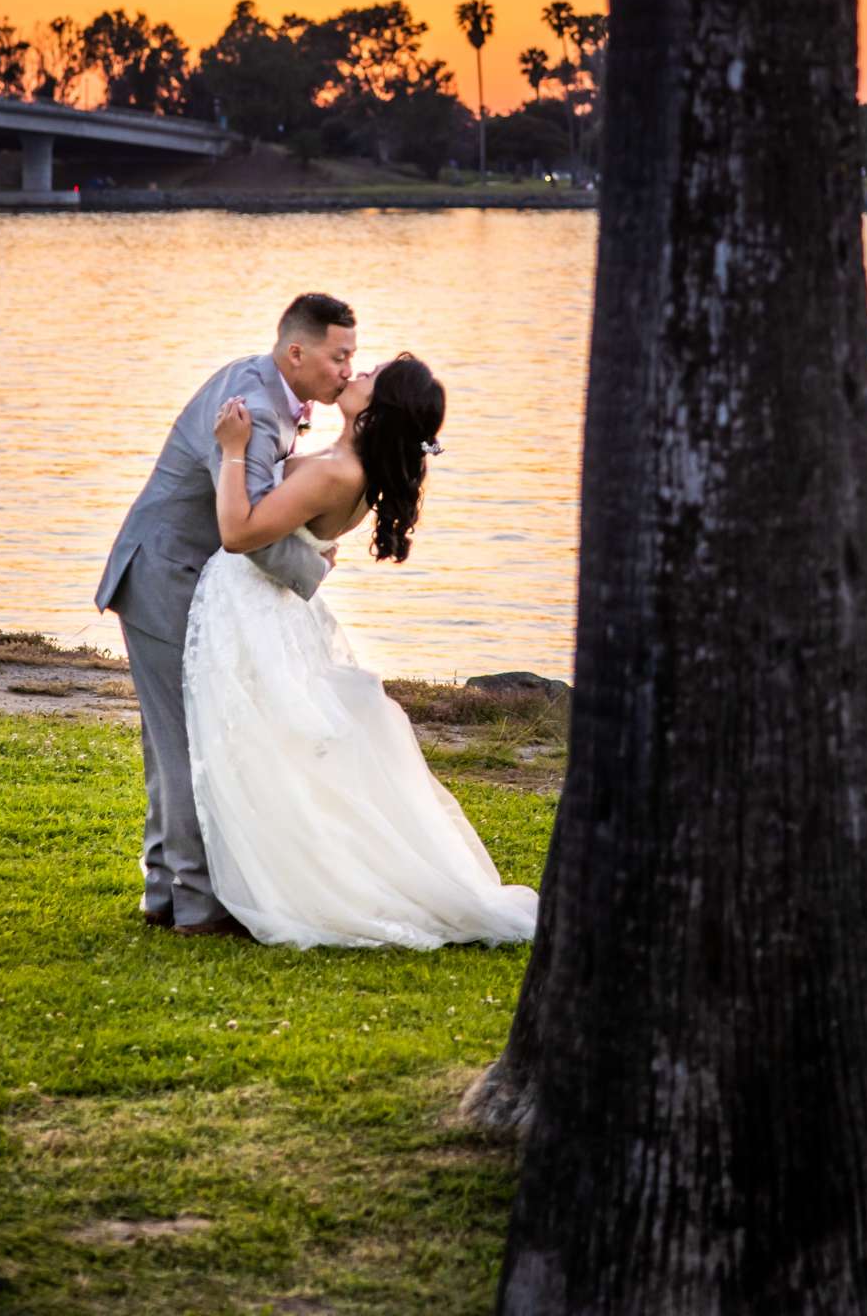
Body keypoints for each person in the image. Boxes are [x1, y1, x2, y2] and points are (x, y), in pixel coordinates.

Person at [184, 353, 538, 949]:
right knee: (260, 749)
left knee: (257, 749)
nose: (356, 374)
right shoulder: (347, 465)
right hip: (265, 610)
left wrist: (235, 450)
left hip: (252, 611)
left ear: (377, 411)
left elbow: (239, 532)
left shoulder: (339, 472)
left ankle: (294, 885)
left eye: (369, 377)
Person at [94, 291, 357, 935]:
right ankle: (197, 904)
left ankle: (165, 892)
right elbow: (253, 529)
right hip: (165, 576)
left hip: (183, 577)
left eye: (353, 358)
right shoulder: (256, 408)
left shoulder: (271, 395)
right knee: (186, 744)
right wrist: (315, 568)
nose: (348, 370)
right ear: (297, 352)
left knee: (172, 741)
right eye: (339, 356)